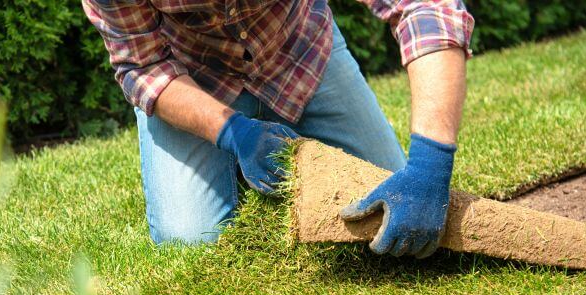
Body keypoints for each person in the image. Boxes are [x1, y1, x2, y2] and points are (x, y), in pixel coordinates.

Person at [82, 0, 474, 258]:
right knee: (188, 240)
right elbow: (145, 67)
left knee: (391, 200)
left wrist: (430, 162)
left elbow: (425, 6)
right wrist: (235, 134)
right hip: (194, 76)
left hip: (297, 49)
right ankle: (234, 150)